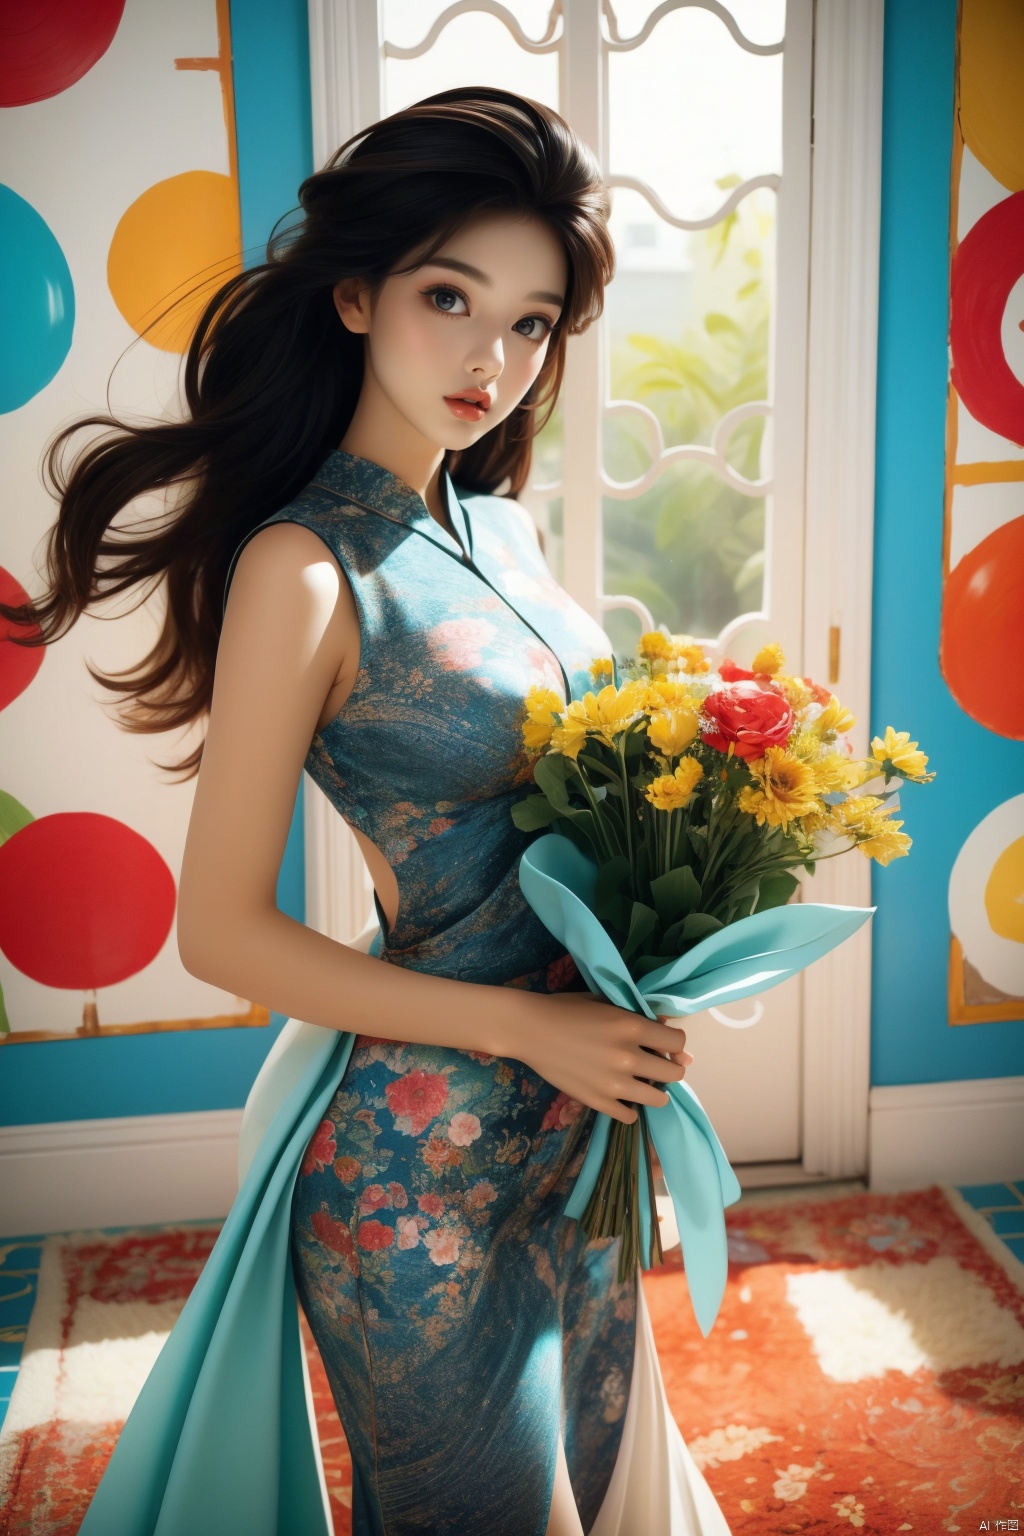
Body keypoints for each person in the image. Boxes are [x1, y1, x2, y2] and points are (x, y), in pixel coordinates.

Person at [7, 86, 732, 1536]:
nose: (493, 357)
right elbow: (220, 931)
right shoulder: (304, 569)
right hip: (419, 1169)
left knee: (602, 1493)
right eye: (451, 297)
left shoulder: (508, 531)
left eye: (532, 323)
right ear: (354, 294)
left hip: (579, 1129)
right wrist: (535, 1024)